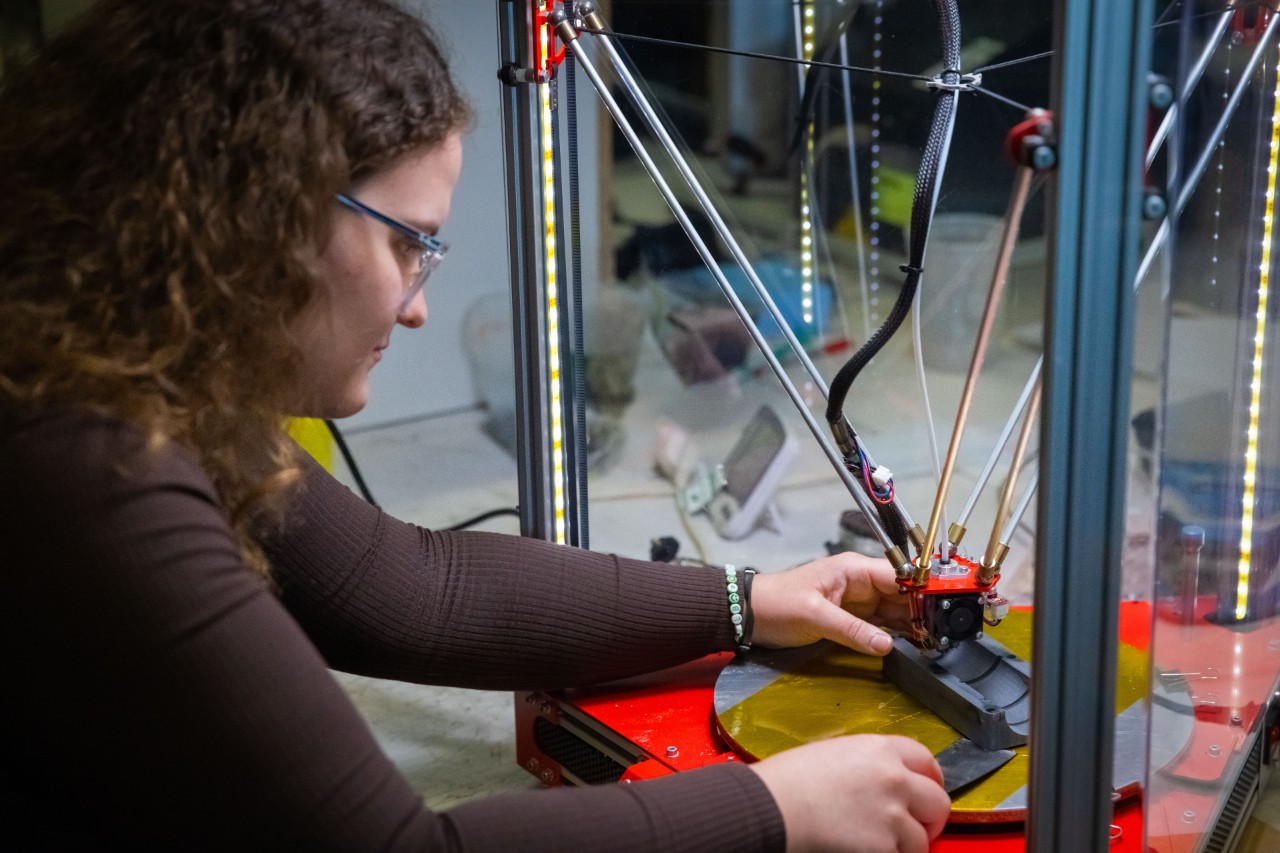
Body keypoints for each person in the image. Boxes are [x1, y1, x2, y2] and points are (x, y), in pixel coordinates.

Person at [0, 1, 950, 850]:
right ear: (262, 215)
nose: (417, 306)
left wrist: (748, 601)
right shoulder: (92, 465)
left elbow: (410, 588)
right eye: (406, 242)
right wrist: (773, 811)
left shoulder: (135, 370)